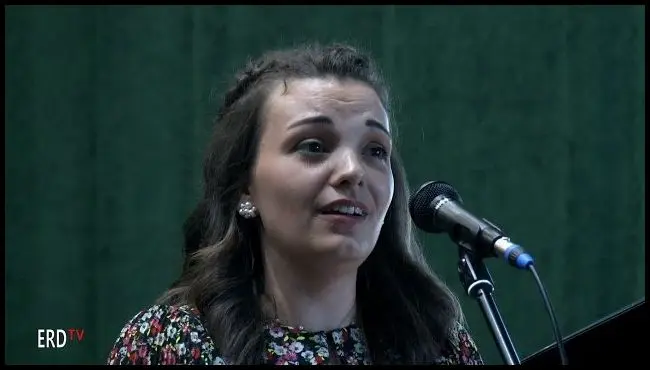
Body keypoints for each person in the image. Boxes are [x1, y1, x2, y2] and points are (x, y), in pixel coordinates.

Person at [106, 42, 484, 365]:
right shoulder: (170, 344)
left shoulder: (436, 344)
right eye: (314, 147)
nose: (353, 171)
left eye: (374, 150)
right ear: (244, 187)